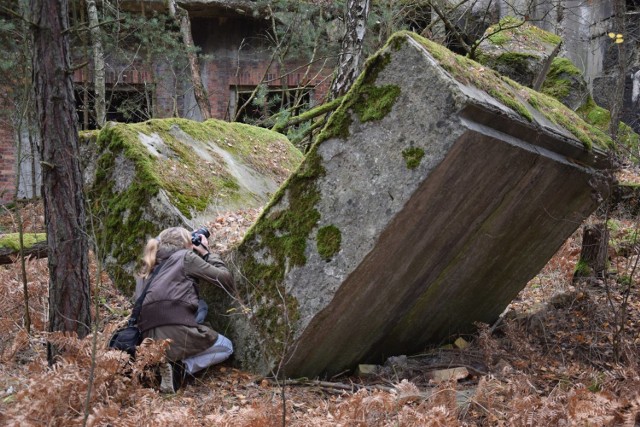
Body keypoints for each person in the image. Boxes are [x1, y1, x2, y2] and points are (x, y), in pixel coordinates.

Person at [134, 226, 235, 393]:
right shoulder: (185, 257)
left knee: (201, 306)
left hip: (147, 338)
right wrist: (206, 253)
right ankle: (179, 369)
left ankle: (161, 368)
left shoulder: (147, 266)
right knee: (226, 347)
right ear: (188, 244)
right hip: (174, 331)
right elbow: (225, 280)